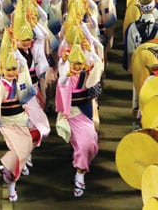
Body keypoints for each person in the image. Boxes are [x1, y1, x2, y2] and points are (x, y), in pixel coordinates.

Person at [56, 43, 103, 198]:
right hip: (70, 114)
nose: (77, 67)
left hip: (85, 111)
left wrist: (90, 49)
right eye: (74, 63)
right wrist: (66, 72)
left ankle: (81, 168)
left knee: (91, 143)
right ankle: (80, 174)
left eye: (79, 64)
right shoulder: (66, 74)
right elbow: (61, 83)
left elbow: (98, 64)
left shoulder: (87, 74)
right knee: (83, 145)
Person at [0, 33, 34, 202]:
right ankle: (11, 186)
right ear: (3, 69)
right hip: (7, 122)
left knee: (26, 149)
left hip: (20, 118)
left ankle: (7, 169)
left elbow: (23, 64)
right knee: (18, 152)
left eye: (13, 69)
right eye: (9, 69)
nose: (12, 72)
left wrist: (15, 48)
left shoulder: (20, 79)